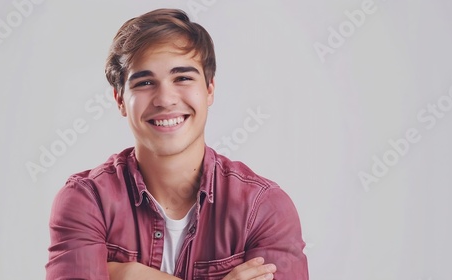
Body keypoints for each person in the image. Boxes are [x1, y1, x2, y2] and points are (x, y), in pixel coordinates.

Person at [45, 8, 308, 280]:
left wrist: (128, 275)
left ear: (209, 89)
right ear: (120, 100)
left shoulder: (264, 208)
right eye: (145, 82)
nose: (165, 99)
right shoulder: (87, 201)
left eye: (182, 78)